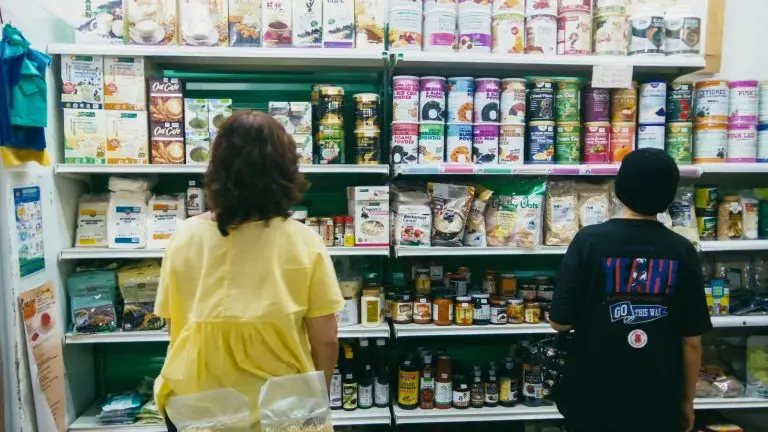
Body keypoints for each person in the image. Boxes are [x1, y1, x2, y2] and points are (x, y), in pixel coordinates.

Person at [153, 110, 344, 430]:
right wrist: (316, 400)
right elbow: (325, 339)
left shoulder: (184, 236)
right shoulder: (304, 242)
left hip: (197, 410)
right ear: (285, 170)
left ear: (217, 169)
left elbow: (176, 327)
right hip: (281, 413)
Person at [549, 148, 712, 432]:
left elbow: (560, 322)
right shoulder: (682, 250)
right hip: (658, 398)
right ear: (669, 196)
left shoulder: (589, 241)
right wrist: (686, 401)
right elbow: (692, 341)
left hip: (593, 396)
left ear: (618, 187)